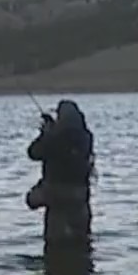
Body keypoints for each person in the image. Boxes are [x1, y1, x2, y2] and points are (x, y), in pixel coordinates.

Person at [26, 99, 94, 248]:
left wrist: (45, 133)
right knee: (81, 243)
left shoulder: (55, 137)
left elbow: (34, 152)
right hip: (80, 196)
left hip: (57, 197)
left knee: (56, 243)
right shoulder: (86, 137)